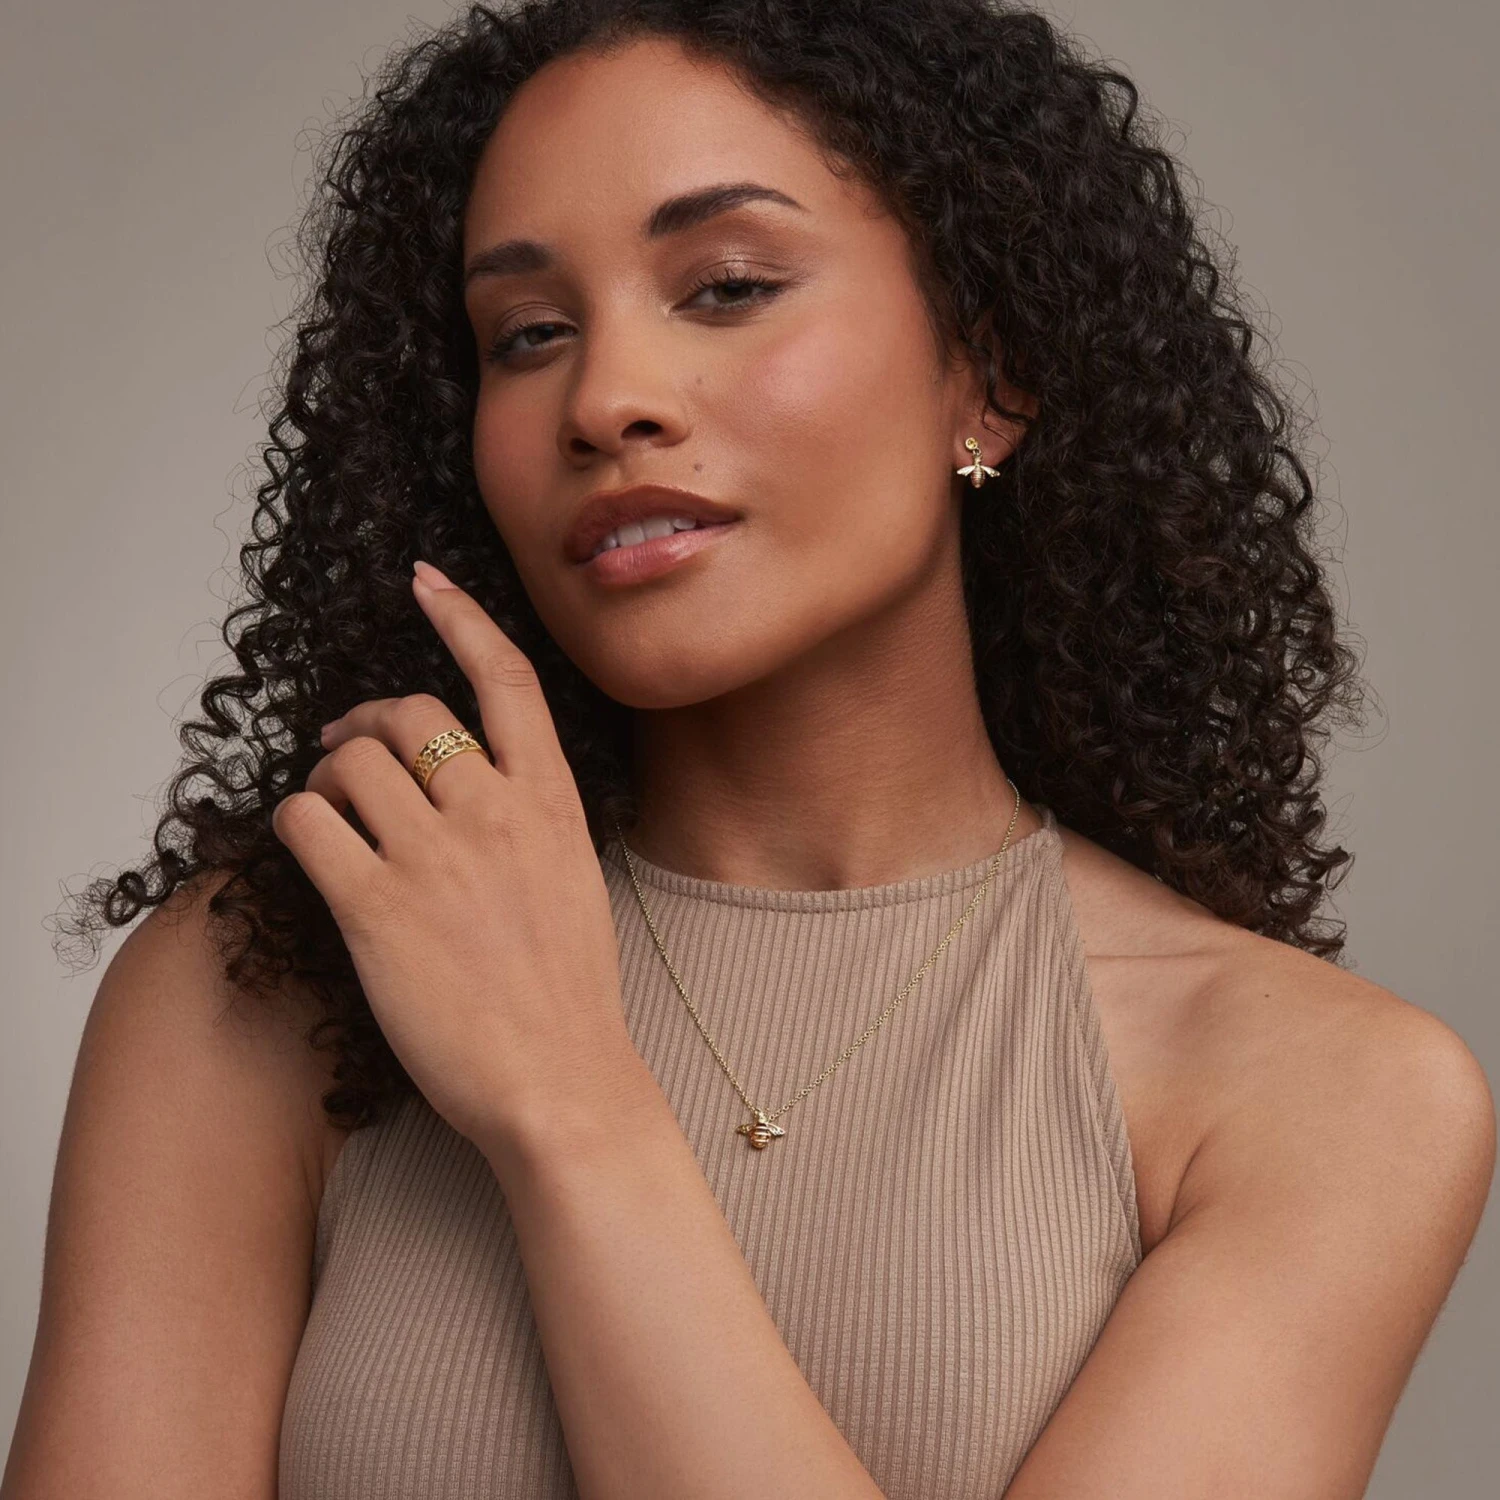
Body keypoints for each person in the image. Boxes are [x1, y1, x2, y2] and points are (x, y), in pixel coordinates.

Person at [7, 2, 1493, 1498]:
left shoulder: (1327, 1099)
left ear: (990, 374)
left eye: (726, 288)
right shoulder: (269, 983)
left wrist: (571, 1107)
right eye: (528, 336)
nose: (605, 401)